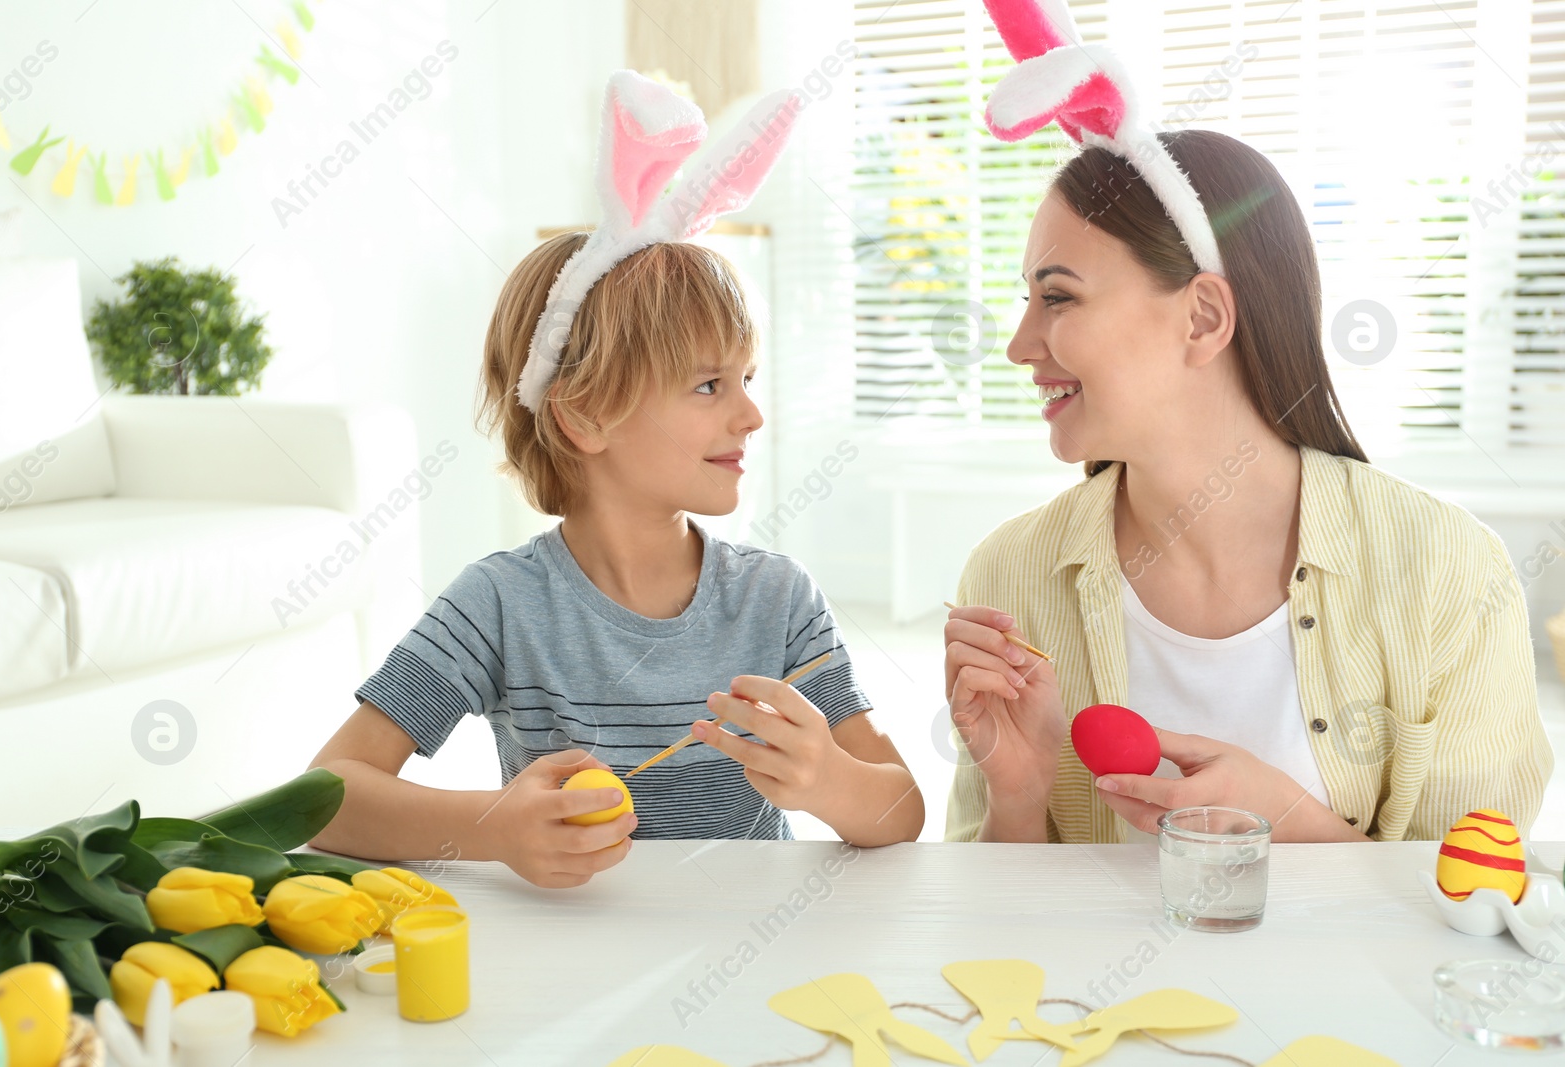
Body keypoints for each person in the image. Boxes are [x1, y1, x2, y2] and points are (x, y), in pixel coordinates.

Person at [943, 0, 1552, 844]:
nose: (1019, 345)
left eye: (1058, 297)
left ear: (1201, 319)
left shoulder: (1448, 573)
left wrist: (1287, 820)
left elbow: (1471, 920)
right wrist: (1017, 794)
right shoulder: (1011, 578)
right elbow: (999, 946)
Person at [308, 72, 922, 888]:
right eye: (709, 386)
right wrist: (494, 829)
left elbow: (901, 809)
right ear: (584, 416)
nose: (750, 416)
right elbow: (326, 799)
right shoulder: (499, 604)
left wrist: (831, 782)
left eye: (748, 379)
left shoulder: (777, 599)